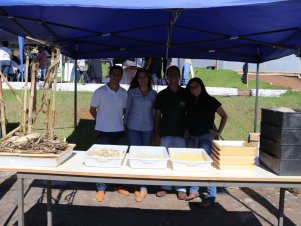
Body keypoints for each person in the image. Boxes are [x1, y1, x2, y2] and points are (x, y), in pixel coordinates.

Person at [185, 77, 228, 207]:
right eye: (191, 87)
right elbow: (188, 118)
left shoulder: (211, 101)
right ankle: (194, 190)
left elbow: (224, 116)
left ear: (202, 87)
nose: (194, 89)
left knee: (208, 166)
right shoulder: (190, 101)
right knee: (193, 164)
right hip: (192, 137)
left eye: (196, 86)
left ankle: (211, 195)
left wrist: (218, 131)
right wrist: (187, 129)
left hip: (205, 137)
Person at [89, 65, 128, 202]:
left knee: (119, 160)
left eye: (119, 75)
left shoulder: (124, 93)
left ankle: (118, 185)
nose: (116, 77)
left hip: (119, 131)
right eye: (114, 74)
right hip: (103, 132)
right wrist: (100, 121)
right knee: (102, 160)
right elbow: (92, 110)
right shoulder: (99, 92)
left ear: (121, 76)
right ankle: (101, 188)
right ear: (109, 75)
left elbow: (123, 111)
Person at [154, 65, 188, 200]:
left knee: (180, 161)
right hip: (165, 132)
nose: (173, 77)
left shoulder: (186, 93)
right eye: (171, 75)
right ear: (167, 77)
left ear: (179, 77)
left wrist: (188, 129)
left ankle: (180, 188)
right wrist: (156, 133)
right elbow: (157, 116)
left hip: (181, 133)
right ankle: (165, 187)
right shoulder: (161, 95)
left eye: (176, 75)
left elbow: (190, 113)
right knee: (165, 161)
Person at [124, 68, 157, 202]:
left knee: (145, 158)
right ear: (136, 80)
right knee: (135, 157)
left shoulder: (154, 94)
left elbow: (155, 113)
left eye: (145, 77)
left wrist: (156, 130)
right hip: (133, 128)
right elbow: (127, 110)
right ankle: (137, 185)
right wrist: (125, 125)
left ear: (149, 79)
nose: (142, 79)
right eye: (140, 77)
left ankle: (143, 187)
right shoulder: (132, 92)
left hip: (148, 129)